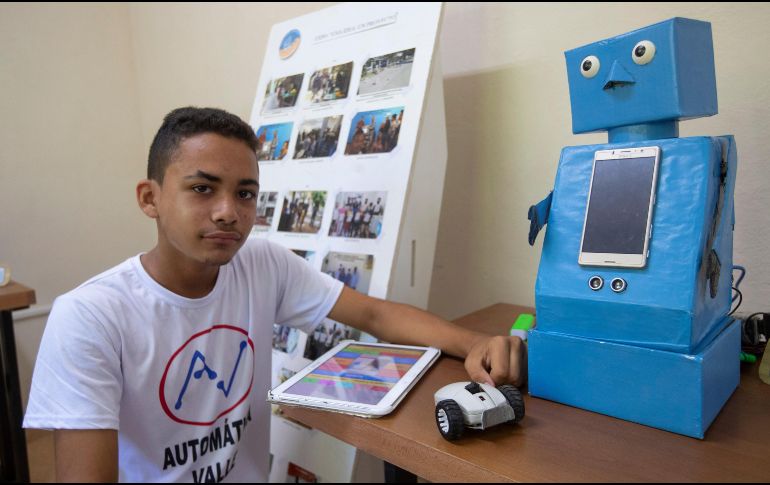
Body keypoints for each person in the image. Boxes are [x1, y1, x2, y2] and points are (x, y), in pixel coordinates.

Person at [23, 107, 526, 483]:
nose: (228, 211)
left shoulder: (259, 262)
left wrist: (473, 343)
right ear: (149, 198)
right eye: (202, 189)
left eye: (244, 193)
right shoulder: (89, 317)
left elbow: (372, 312)